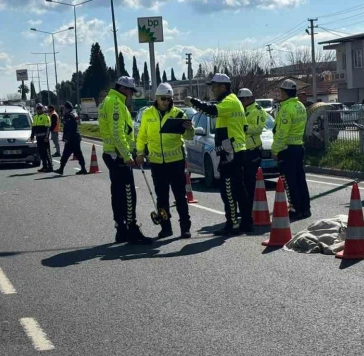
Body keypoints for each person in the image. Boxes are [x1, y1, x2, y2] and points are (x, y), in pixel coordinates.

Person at [187, 73, 251, 235]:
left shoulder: (229, 102)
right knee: (239, 188)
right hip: (235, 151)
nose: (213, 90)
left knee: (228, 189)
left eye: (214, 86)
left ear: (223, 87)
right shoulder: (234, 102)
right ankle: (246, 222)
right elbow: (243, 127)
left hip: (231, 153)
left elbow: (211, 111)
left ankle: (233, 223)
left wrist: (194, 102)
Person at [135, 82, 195, 239]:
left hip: (175, 161)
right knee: (161, 197)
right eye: (163, 98)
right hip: (156, 163)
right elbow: (142, 136)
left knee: (180, 196)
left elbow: (189, 137)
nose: (166, 102)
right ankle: (166, 227)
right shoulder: (148, 114)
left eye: (169, 99)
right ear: (156, 98)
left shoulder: (178, 114)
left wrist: (190, 128)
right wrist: (140, 153)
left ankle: (185, 228)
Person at [98, 76, 153, 244]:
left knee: (117, 192)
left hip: (112, 154)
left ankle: (121, 229)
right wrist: (128, 156)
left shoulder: (110, 100)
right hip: (118, 155)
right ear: (123, 88)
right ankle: (131, 229)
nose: (131, 94)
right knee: (129, 193)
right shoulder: (115, 103)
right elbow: (117, 133)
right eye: (130, 90)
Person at [272, 79, 311, 220]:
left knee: (289, 180)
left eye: (281, 91)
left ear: (285, 92)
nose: (280, 94)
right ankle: (305, 208)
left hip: (287, 149)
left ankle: (295, 208)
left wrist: (275, 150)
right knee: (300, 178)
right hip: (299, 146)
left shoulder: (286, 109)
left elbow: (282, 133)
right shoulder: (300, 106)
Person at [238, 87, 267, 218]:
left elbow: (258, 128)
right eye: (240, 99)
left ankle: (250, 209)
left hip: (252, 150)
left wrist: (242, 127)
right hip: (242, 149)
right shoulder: (241, 110)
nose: (241, 101)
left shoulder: (258, 111)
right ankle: (245, 208)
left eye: (243, 99)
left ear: (250, 98)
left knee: (250, 181)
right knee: (242, 181)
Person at [55, 101, 87, 175]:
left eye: (64, 108)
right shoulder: (74, 113)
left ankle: (61, 169)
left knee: (66, 153)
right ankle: (83, 168)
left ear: (66, 107)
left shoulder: (69, 115)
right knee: (78, 153)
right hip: (76, 137)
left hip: (72, 138)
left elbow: (69, 128)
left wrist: (67, 138)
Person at [31, 104, 53, 173]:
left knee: (46, 152)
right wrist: (32, 136)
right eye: (37, 108)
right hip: (38, 137)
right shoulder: (35, 117)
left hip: (44, 138)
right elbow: (33, 127)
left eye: (40, 108)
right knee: (41, 152)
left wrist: (47, 137)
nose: (39, 110)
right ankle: (44, 166)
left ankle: (50, 166)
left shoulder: (45, 117)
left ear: (42, 109)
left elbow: (48, 128)